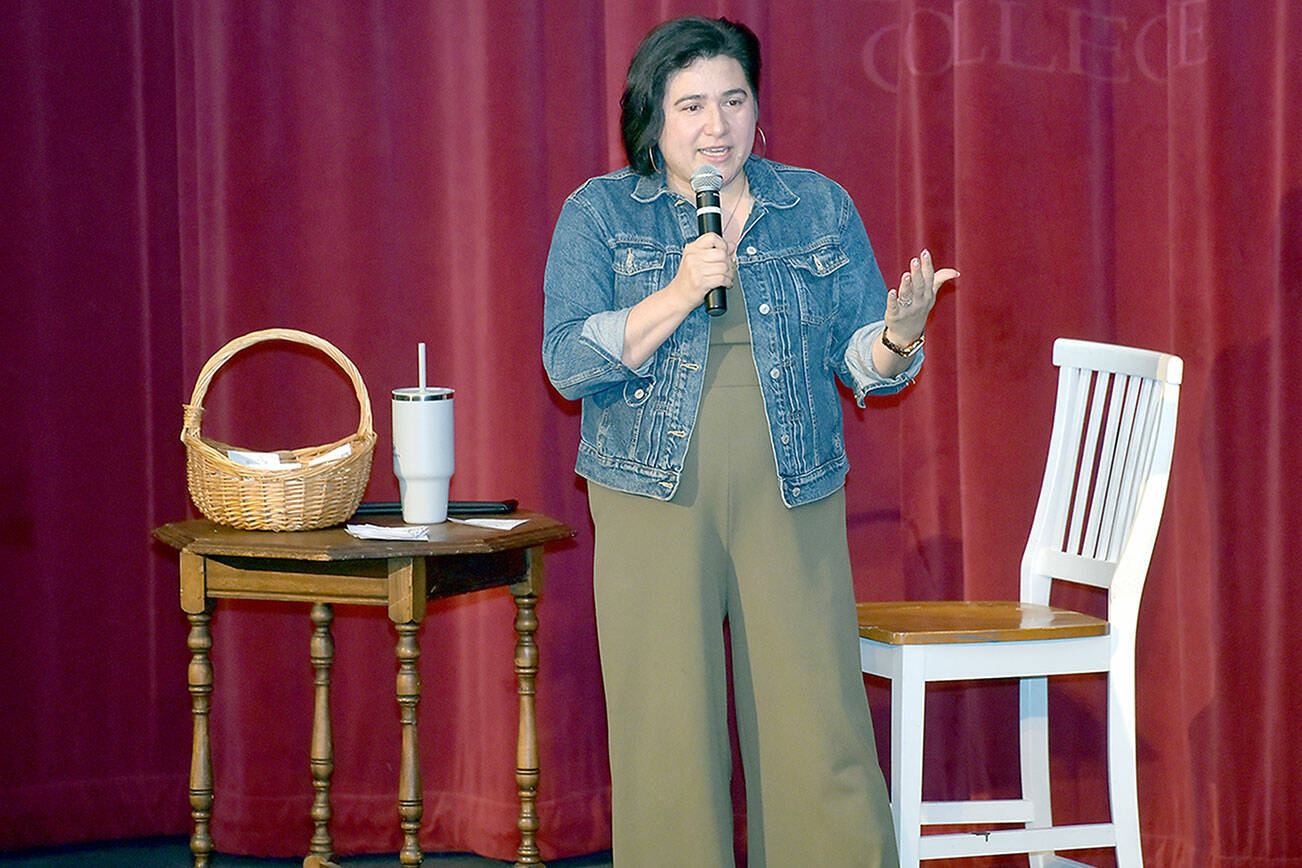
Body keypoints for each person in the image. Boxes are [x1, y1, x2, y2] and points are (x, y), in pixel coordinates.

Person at [542, 16, 957, 868]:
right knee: (668, 732)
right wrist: (681, 288)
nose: (715, 125)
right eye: (690, 104)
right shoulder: (599, 213)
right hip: (650, 489)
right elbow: (567, 360)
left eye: (733, 100)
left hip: (790, 483)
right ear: (652, 117)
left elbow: (860, 360)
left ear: (756, 108)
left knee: (817, 720)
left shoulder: (816, 204)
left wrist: (901, 335)